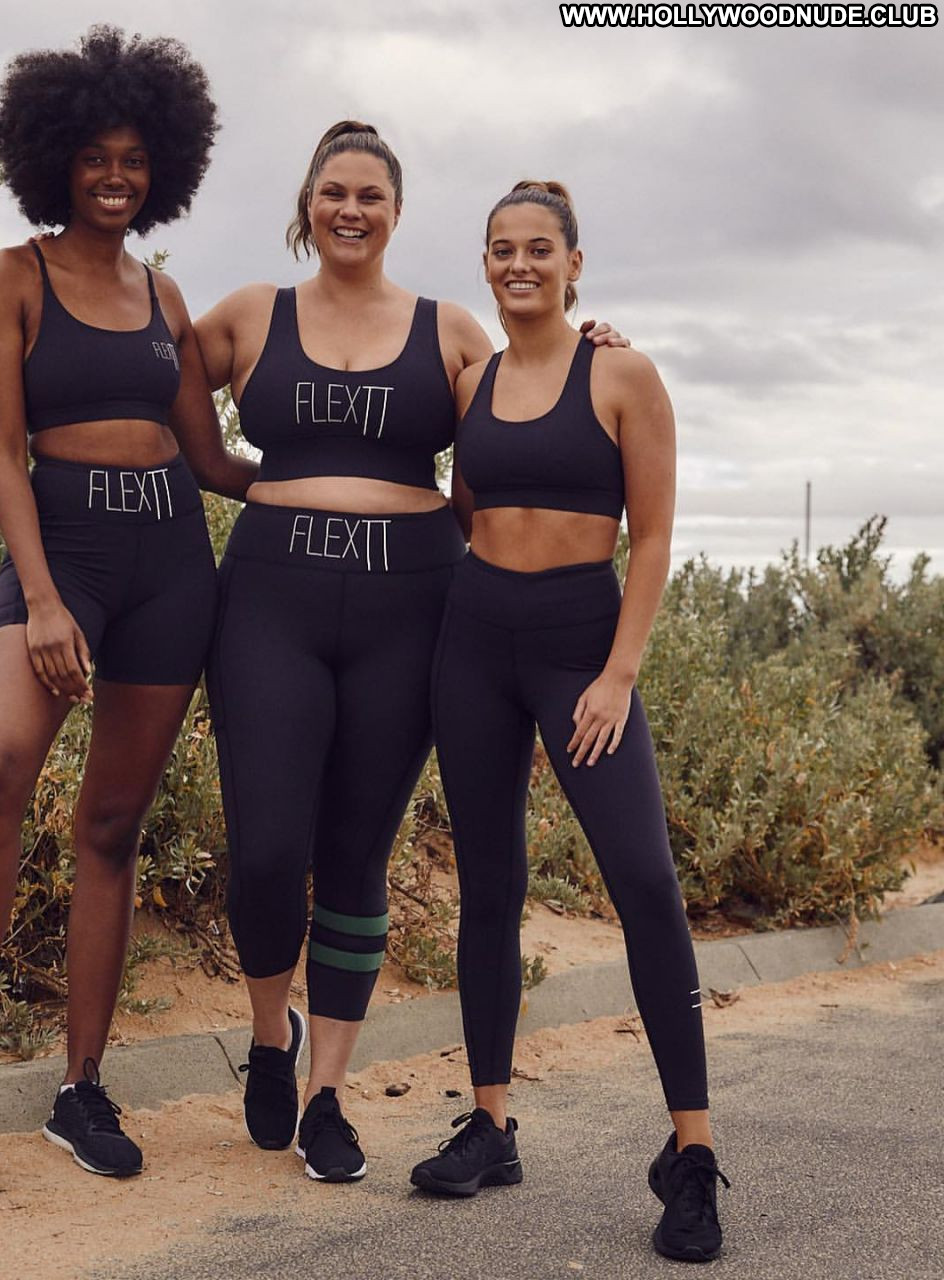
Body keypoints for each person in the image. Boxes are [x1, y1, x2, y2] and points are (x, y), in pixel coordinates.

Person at [195, 127, 625, 1184]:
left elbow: (533, 393)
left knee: (356, 852)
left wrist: (596, 344)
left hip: (410, 605)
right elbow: (150, 381)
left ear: (396, 211)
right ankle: (269, 1034)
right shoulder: (250, 313)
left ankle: (327, 1095)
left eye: (371, 195)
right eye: (333, 191)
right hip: (270, 601)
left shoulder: (450, 330)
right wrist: (245, 478)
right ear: (308, 202)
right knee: (264, 852)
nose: (351, 209)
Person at [0, 27, 254, 1202]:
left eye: (134, 159)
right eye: (96, 157)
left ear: (164, 166)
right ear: (54, 158)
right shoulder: (12, 278)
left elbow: (212, 458)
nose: (115, 175)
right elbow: (1, 450)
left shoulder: (164, 294)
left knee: (111, 823)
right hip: (62, 557)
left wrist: (349, 481)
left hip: (168, 558)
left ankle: (81, 1086)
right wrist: (47, 599)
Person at [408, 180, 729, 1261]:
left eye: (538, 248)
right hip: (473, 642)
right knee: (489, 884)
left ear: (573, 263)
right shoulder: (472, 381)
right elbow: (459, 505)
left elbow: (651, 535)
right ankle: (490, 1122)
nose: (518, 264)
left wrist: (617, 673)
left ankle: (692, 1154)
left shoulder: (623, 374)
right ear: (485, 262)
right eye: (501, 249)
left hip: (579, 648)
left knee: (643, 880)